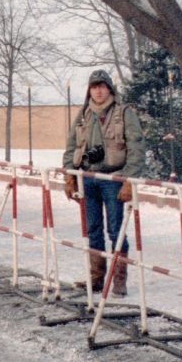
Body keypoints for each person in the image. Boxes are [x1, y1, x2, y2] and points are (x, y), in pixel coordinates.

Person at [62, 69, 145, 297]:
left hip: (114, 178)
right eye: (94, 87)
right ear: (89, 90)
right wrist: (69, 175)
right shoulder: (84, 115)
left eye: (102, 86)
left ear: (110, 88)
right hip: (88, 178)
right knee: (93, 230)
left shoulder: (124, 113)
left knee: (116, 230)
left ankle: (119, 280)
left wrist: (129, 179)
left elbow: (137, 149)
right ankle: (97, 277)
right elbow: (71, 147)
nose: (98, 91)